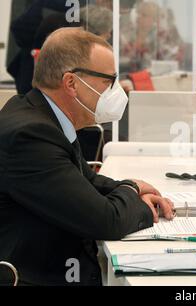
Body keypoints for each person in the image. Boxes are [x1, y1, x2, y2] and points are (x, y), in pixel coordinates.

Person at [0, 28, 174, 286]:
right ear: (71, 83)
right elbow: (106, 221)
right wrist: (132, 189)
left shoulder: (42, 114)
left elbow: (85, 179)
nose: (116, 91)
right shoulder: (32, 135)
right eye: (108, 81)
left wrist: (127, 189)